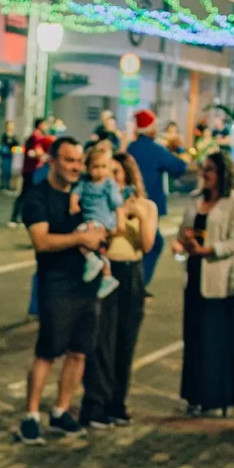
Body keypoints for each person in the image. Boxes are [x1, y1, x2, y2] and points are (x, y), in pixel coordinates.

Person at [16, 136, 103, 442]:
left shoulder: (85, 195)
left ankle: (60, 411)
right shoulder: (38, 198)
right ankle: (30, 415)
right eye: (68, 160)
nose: (75, 167)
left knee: (79, 353)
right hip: (56, 284)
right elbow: (41, 240)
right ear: (52, 161)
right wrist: (80, 239)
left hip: (87, 284)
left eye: (79, 161)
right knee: (47, 352)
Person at [177, 150, 234, 416]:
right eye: (204, 168)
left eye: (210, 169)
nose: (205, 174)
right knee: (194, 338)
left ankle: (217, 396)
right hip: (195, 276)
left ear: (222, 174)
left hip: (220, 279)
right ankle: (194, 395)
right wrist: (183, 245)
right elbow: (183, 232)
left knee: (216, 340)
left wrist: (207, 250)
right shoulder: (195, 199)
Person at [81, 164, 160, 427]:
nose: (113, 176)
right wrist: (120, 215)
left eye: (117, 171)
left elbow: (147, 245)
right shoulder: (98, 203)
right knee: (103, 341)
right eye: (108, 171)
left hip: (132, 272)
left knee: (126, 340)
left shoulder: (146, 205)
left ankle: (117, 403)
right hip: (108, 269)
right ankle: (95, 405)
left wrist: (139, 214)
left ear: (127, 174)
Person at [126, 110, 191, 289]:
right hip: (149, 204)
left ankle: (135, 282)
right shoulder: (156, 150)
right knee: (154, 243)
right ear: (150, 129)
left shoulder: (131, 148)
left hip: (130, 203)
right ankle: (140, 283)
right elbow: (179, 167)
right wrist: (179, 149)